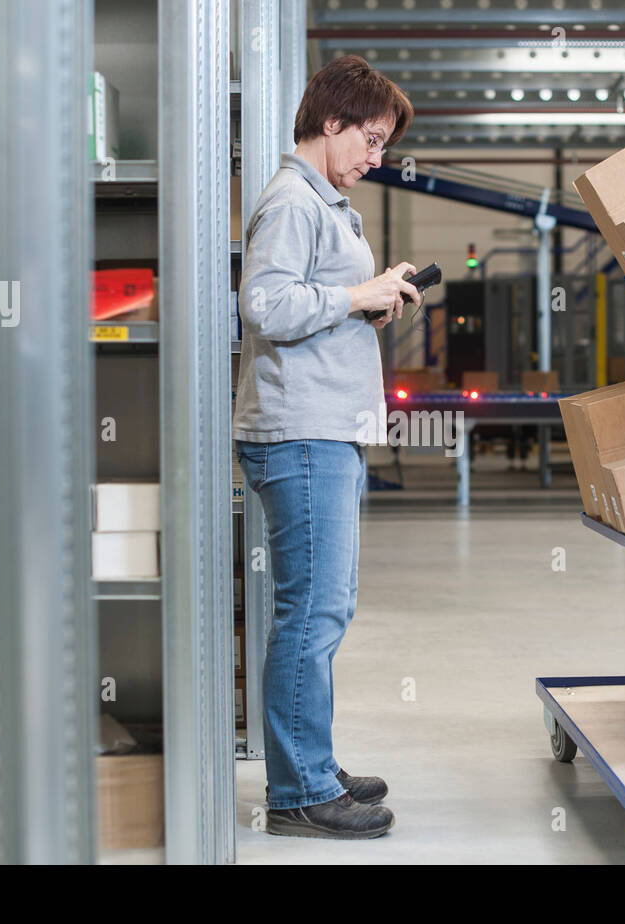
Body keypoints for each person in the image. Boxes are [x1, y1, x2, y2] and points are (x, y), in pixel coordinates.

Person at [232, 55, 418, 840]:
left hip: (325, 427)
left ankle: (308, 761)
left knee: (324, 608)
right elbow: (265, 303)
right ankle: (299, 792)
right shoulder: (293, 201)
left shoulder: (326, 204)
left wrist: (362, 306)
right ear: (331, 122)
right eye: (370, 139)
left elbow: (307, 303)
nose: (376, 158)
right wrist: (355, 294)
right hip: (300, 430)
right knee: (311, 611)